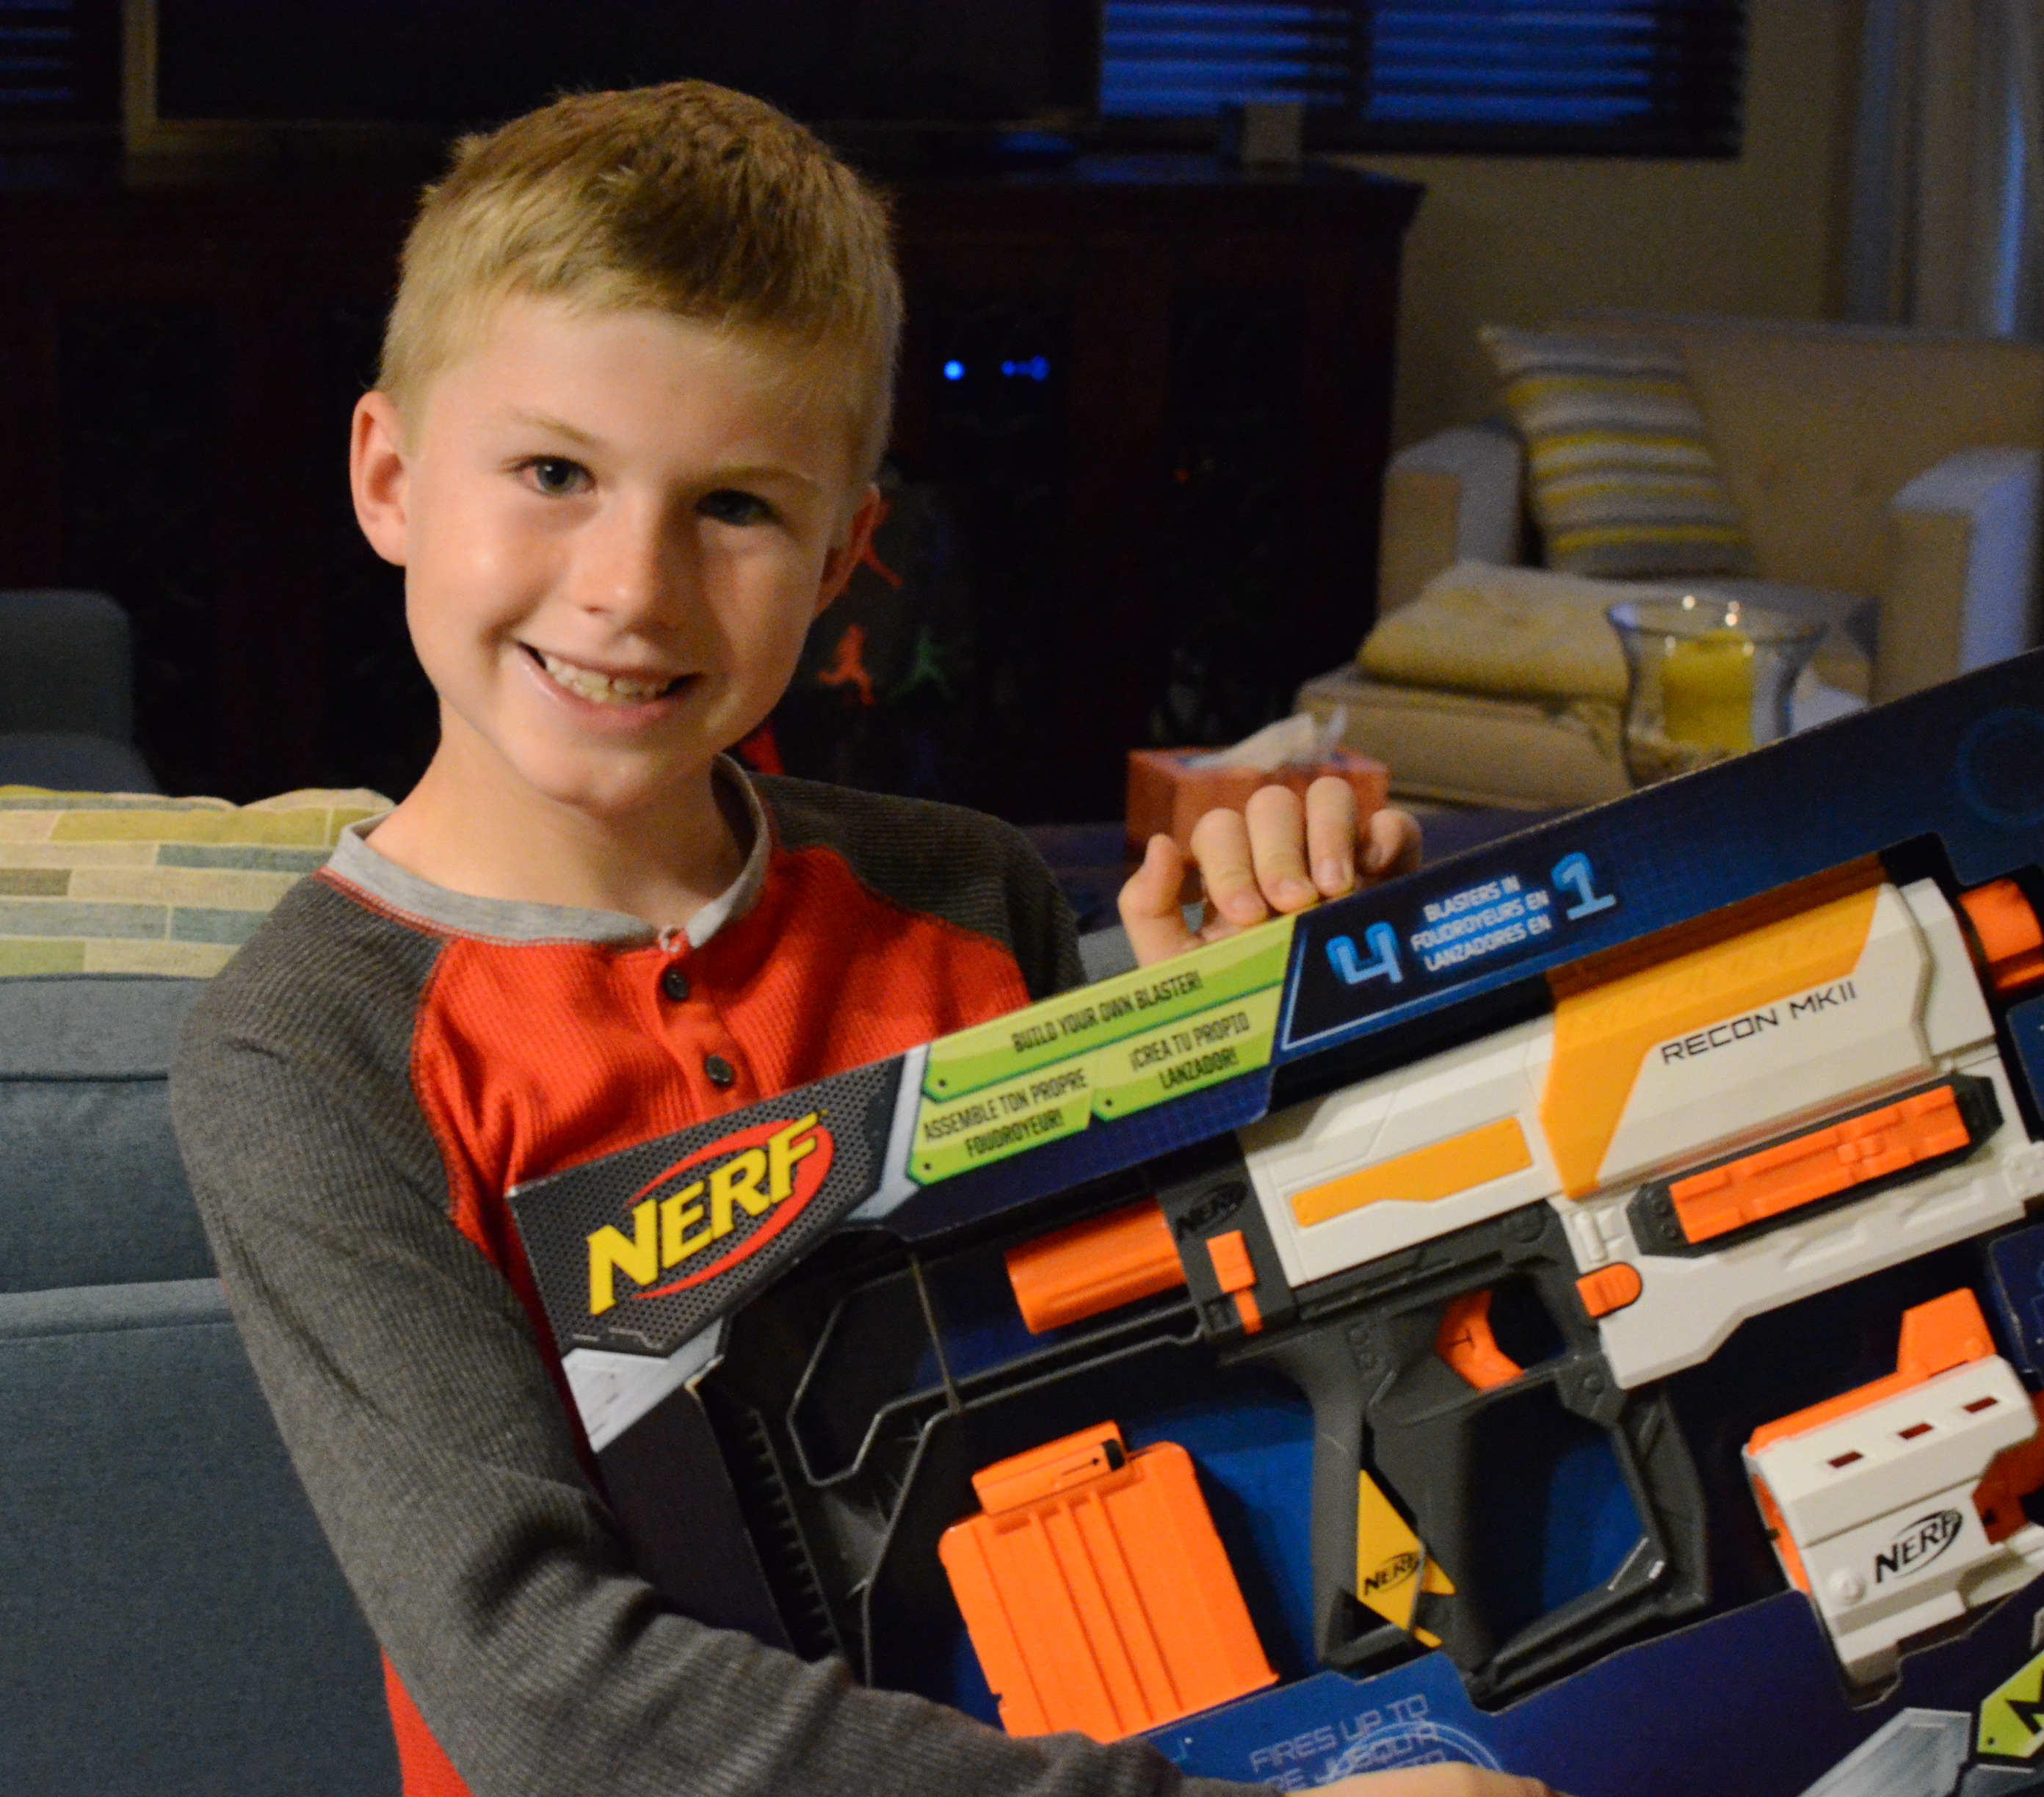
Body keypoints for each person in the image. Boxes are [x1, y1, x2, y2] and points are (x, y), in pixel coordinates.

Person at [173, 80, 1537, 1797]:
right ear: (388, 478)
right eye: (554, 473)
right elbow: (548, 1702)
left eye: (735, 508)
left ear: (842, 559)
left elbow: (1215, 1391)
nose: (630, 588)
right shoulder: (311, 1047)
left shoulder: (966, 895)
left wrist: (1307, 1027)